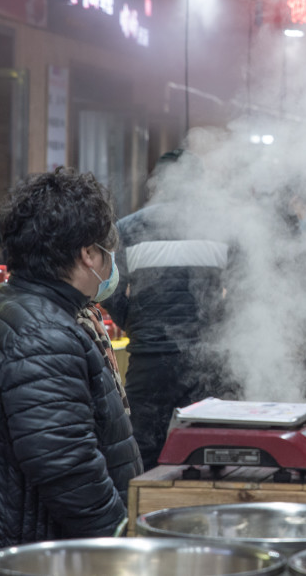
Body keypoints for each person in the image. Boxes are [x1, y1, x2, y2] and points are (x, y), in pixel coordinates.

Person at [0, 169, 143, 575]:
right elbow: (67, 468)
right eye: (108, 251)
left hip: (11, 545)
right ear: (88, 254)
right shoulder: (42, 334)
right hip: (31, 554)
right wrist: (120, 546)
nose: (112, 263)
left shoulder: (17, 304)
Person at [101, 149, 232, 471]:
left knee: (145, 447)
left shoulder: (128, 228)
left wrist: (133, 321)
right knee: (205, 449)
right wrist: (222, 323)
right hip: (207, 359)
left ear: (157, 182)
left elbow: (108, 286)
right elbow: (247, 288)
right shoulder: (223, 228)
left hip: (150, 359)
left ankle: (142, 513)